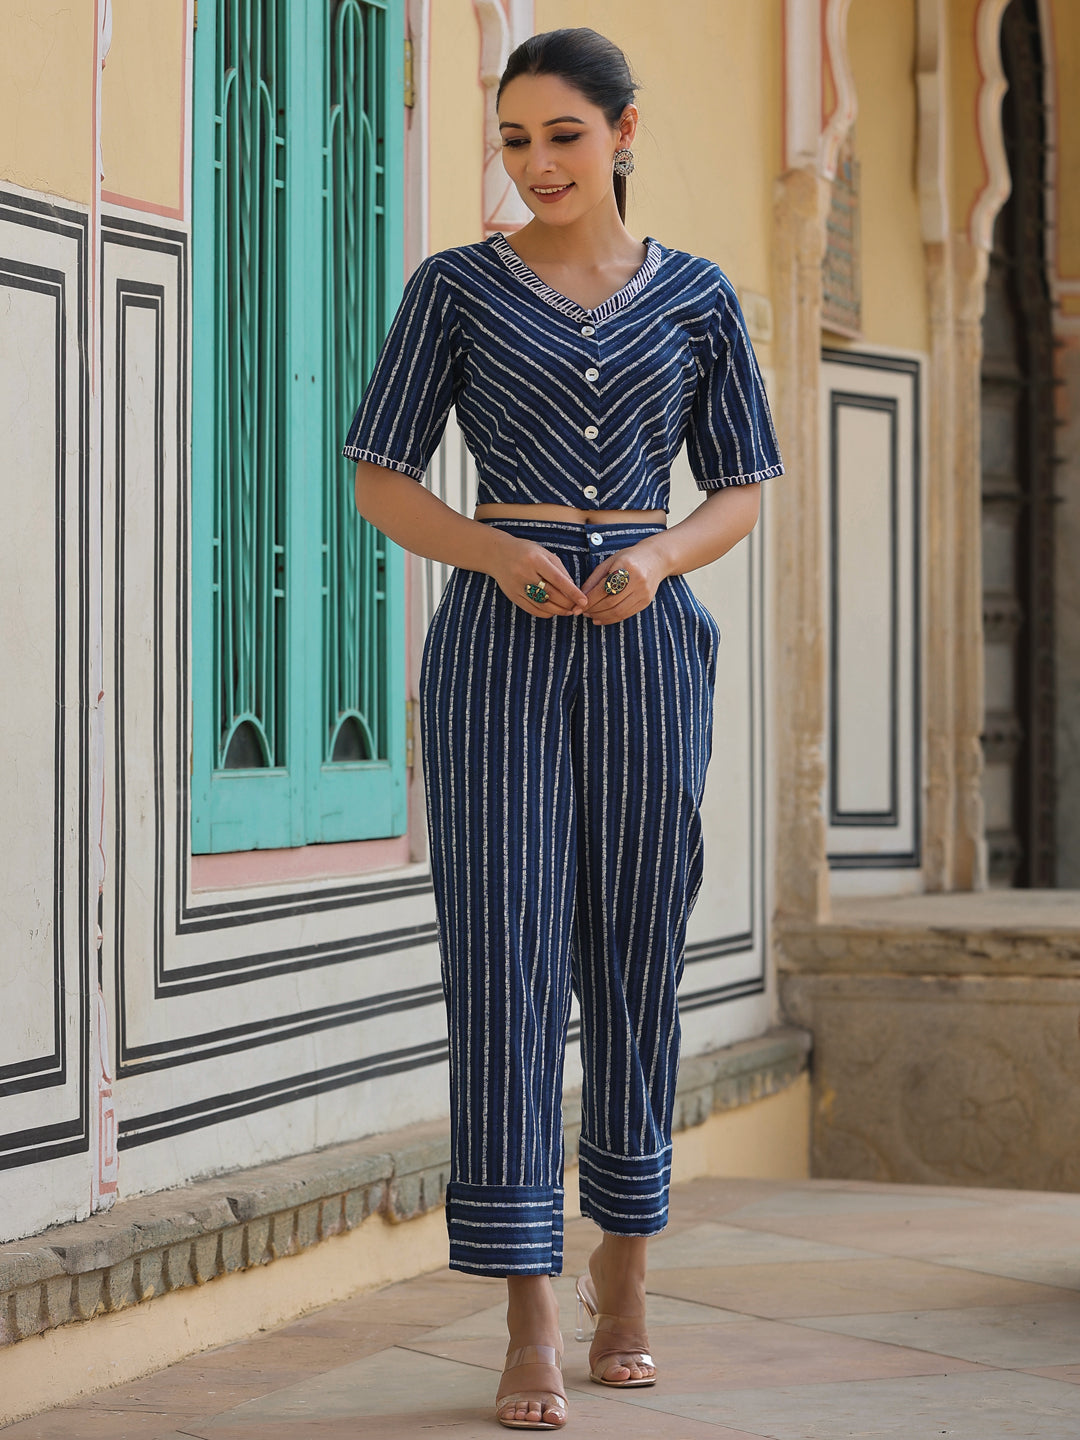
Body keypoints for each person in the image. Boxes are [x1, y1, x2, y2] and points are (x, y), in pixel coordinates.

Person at [342, 26, 783, 1431]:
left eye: (564, 137)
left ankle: (629, 1267)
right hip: (496, 650)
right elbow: (379, 481)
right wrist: (488, 552)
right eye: (515, 137)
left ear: (625, 132)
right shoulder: (455, 291)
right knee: (507, 957)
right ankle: (530, 1307)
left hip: (647, 644)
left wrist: (654, 561)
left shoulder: (701, 299)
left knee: (638, 947)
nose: (534, 163)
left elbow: (741, 490)